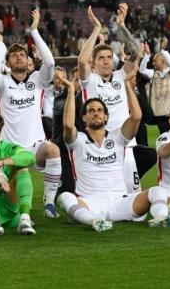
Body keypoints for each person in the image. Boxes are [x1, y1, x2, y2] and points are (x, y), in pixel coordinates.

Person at [57, 70, 155, 231]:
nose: (96, 113)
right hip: (90, 203)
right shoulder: (77, 140)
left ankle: (162, 218)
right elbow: (68, 125)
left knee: (156, 192)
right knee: (65, 197)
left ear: (106, 116)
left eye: (100, 110)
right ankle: (93, 222)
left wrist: (127, 86)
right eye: (91, 111)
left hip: (120, 202)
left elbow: (136, 117)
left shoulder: (118, 137)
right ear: (84, 117)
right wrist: (70, 90)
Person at [0, 9, 62, 217]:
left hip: (35, 146)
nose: (19, 58)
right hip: (9, 149)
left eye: (22, 55)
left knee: (53, 150)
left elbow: (50, 63)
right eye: (14, 56)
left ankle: (49, 204)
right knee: (10, 204)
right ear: (7, 63)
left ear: (29, 60)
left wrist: (34, 31)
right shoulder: (2, 83)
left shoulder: (38, 80)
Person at [77, 4, 156, 194]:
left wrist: (122, 26)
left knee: (132, 192)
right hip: (99, 142)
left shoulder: (121, 75)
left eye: (108, 57)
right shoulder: (89, 80)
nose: (106, 61)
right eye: (101, 58)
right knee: (104, 189)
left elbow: (135, 53)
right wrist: (96, 29)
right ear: (94, 63)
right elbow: (81, 61)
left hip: (125, 141)